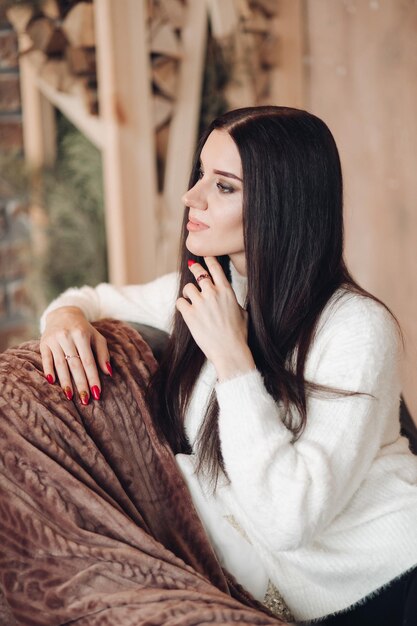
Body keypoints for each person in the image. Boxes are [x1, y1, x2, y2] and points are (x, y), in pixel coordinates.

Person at [38, 106, 417, 625]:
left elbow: (289, 519)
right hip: (311, 600)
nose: (191, 197)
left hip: (395, 576)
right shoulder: (209, 293)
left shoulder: (355, 326)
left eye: (224, 186)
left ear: (281, 203)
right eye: (200, 174)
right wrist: (63, 319)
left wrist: (234, 362)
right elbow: (92, 296)